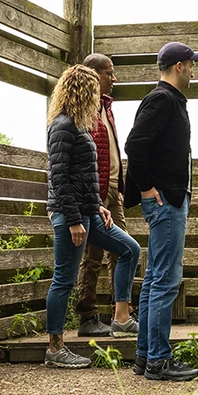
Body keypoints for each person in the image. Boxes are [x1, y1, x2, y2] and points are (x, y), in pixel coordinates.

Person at [43, 65, 142, 369]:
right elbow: (59, 178)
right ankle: (55, 348)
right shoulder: (62, 126)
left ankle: (121, 318)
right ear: (82, 90)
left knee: (129, 249)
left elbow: (83, 175)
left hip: (89, 213)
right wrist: (74, 220)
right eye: (94, 89)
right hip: (69, 216)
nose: (100, 92)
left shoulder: (80, 125)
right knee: (64, 279)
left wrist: (98, 204)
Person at [124, 42, 198, 382]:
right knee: (165, 280)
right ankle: (159, 359)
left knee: (155, 279)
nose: (194, 71)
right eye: (191, 65)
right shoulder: (162, 99)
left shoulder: (170, 101)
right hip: (165, 201)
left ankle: (145, 357)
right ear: (179, 67)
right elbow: (134, 144)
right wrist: (147, 187)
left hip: (169, 199)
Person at [73, 53, 137, 337]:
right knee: (93, 255)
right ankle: (87, 315)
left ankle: (122, 313)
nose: (114, 79)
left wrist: (119, 190)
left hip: (113, 190)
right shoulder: (81, 110)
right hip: (94, 194)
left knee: (124, 249)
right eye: (109, 73)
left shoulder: (106, 107)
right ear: (94, 74)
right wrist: (92, 198)